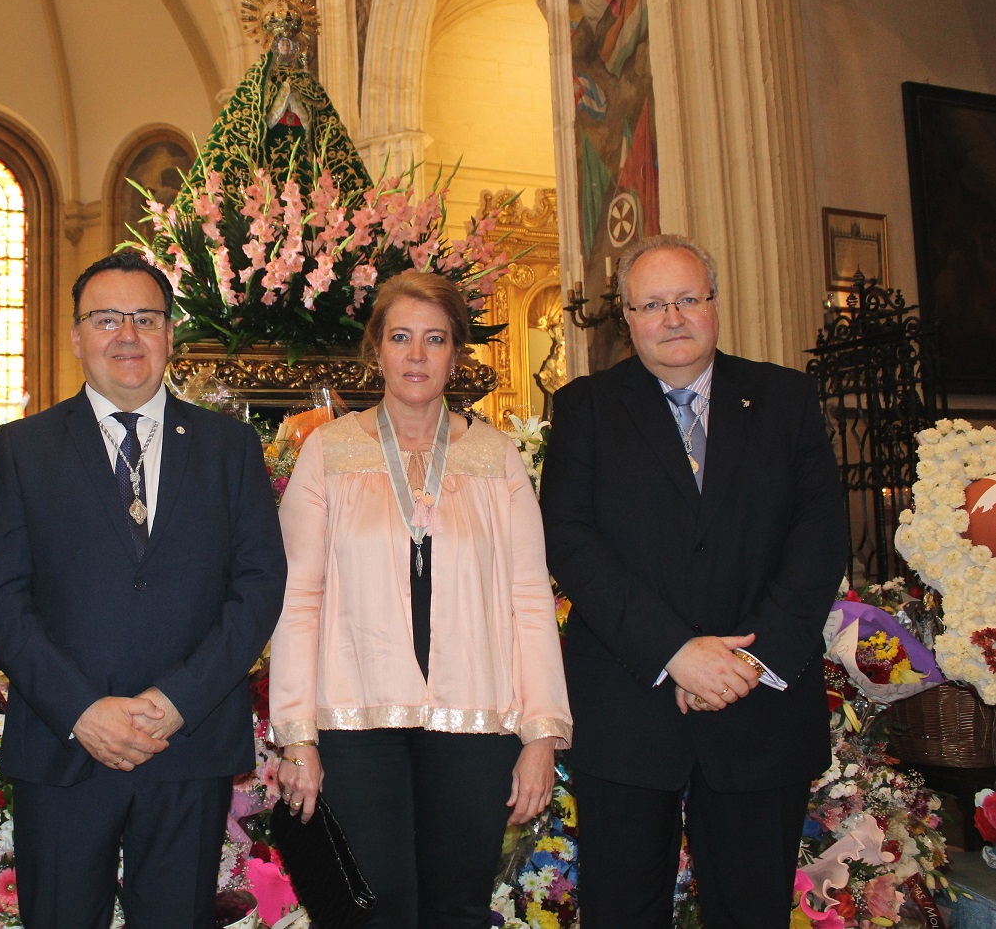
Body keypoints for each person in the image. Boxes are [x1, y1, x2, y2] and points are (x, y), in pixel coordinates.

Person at [539, 236, 848, 928]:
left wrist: (748, 658)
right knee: (622, 912)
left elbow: (819, 536)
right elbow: (569, 541)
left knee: (752, 912)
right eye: (651, 304)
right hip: (628, 705)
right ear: (626, 318)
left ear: (713, 304)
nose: (671, 317)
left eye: (686, 298)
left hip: (757, 708)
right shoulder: (584, 408)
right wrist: (674, 650)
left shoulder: (785, 398)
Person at [0, 251, 287, 929]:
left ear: (170, 334)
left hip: (188, 743)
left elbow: (259, 586)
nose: (126, 335)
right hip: (64, 746)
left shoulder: (228, 446)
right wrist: (81, 708)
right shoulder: (23, 448)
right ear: (77, 334)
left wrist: (179, 699)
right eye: (107, 318)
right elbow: (0, 599)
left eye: (145, 318)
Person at [271, 272, 572, 929]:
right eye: (400, 337)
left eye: (433, 339)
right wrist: (297, 734)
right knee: (368, 913)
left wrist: (540, 732)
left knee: (455, 912)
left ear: (454, 354)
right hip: (354, 724)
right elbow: (298, 598)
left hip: (473, 724)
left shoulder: (496, 458)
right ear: (375, 348)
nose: (415, 354)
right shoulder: (327, 451)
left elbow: (528, 597)